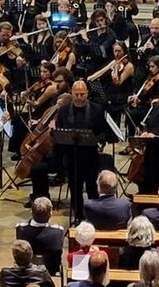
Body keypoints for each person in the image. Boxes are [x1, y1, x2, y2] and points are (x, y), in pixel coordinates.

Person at [55, 80, 106, 221]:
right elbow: (59, 130)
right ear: (71, 93)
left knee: (92, 188)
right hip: (72, 157)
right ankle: (78, 216)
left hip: (90, 156)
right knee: (75, 188)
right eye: (76, 94)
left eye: (82, 94)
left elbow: (103, 131)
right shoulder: (64, 111)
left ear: (87, 94)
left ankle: (94, 216)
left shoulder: (97, 109)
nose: (79, 97)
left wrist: (99, 141)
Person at [15, 197, 66, 276]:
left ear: (31, 212)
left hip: (26, 271)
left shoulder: (21, 229)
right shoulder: (58, 232)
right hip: (50, 271)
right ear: (50, 213)